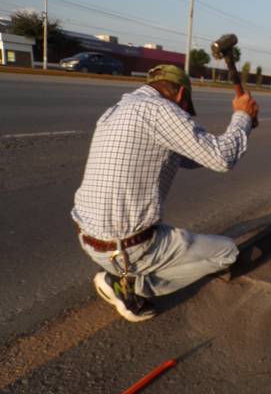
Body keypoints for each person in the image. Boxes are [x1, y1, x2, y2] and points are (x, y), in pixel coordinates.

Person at [71, 64, 259, 322]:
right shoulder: (161, 110)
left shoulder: (117, 111)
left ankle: (120, 273)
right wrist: (243, 117)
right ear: (181, 95)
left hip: (90, 240)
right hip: (127, 251)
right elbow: (222, 159)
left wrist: (242, 129)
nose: (184, 115)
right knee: (226, 252)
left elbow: (195, 157)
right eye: (185, 111)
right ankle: (130, 287)